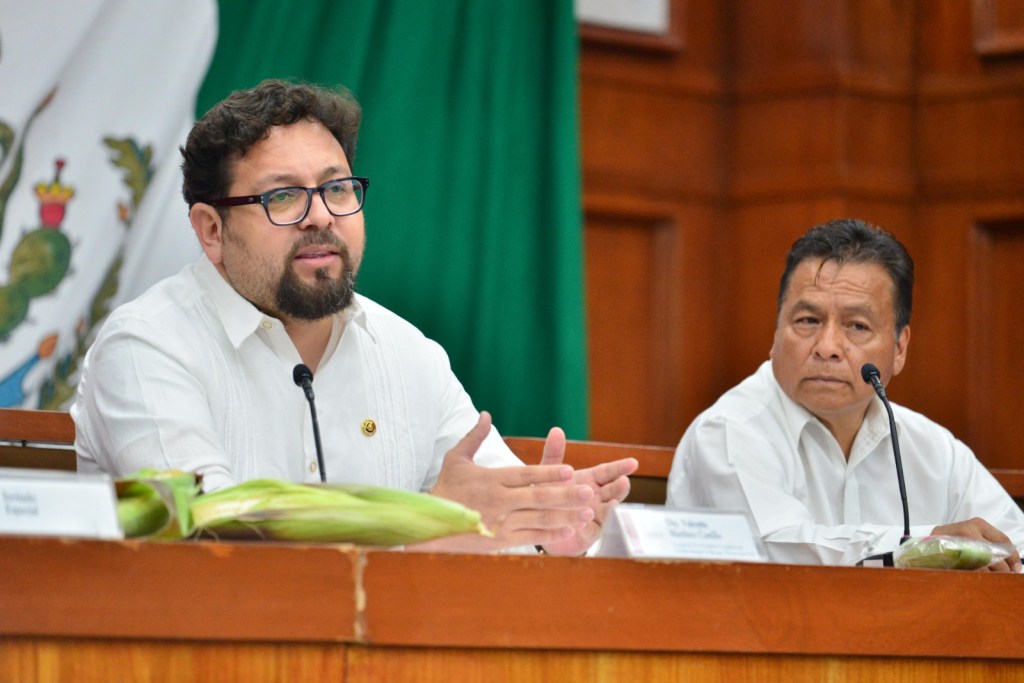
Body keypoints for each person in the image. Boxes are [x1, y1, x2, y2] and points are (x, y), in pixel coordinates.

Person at [72, 79, 636, 555]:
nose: (321, 216)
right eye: (284, 197)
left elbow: (488, 512)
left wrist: (546, 529)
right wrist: (429, 523)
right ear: (211, 230)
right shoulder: (146, 347)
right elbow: (206, 536)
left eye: (337, 188)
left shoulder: (408, 353)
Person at [667, 218, 1024, 570]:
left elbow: (1014, 545)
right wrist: (925, 545)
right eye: (808, 321)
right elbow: (778, 553)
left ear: (899, 348)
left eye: (857, 326)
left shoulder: (932, 450)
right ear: (777, 331)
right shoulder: (728, 431)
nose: (827, 347)